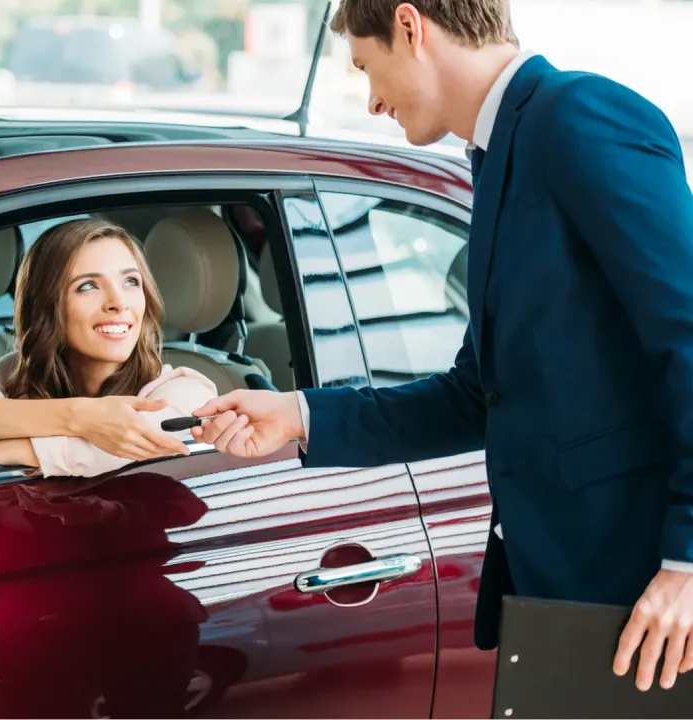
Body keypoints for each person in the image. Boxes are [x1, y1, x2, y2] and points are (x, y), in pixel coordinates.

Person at [191, 0, 693, 694]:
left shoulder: (581, 118)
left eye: (367, 68)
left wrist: (688, 566)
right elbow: (476, 394)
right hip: (562, 600)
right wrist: (300, 415)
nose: (370, 100)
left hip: (643, 603)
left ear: (409, 25)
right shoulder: (498, 154)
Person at [0, 217, 217, 477]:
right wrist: (80, 416)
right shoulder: (20, 371)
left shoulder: (187, 393)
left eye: (130, 282)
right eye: (88, 286)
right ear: (48, 306)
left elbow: (115, 450)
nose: (118, 303)